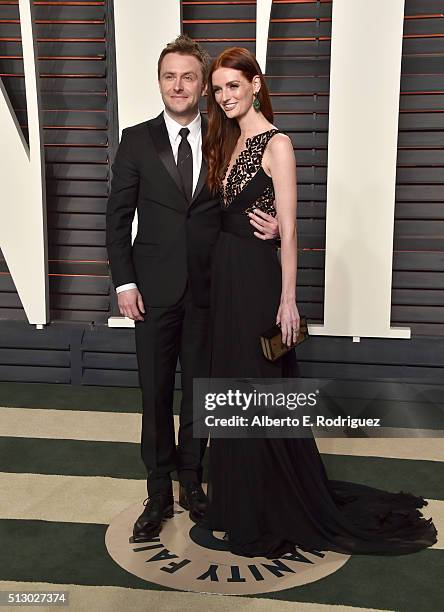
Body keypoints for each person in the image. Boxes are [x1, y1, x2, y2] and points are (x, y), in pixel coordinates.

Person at [201, 46, 438, 558]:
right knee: (230, 392)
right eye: (217, 89)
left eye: (233, 86)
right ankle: (236, 503)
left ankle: (267, 509)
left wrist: (288, 301)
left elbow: (290, 232)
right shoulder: (229, 140)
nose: (224, 97)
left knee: (258, 395)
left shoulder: (276, 143)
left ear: (256, 84)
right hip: (225, 279)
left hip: (258, 283)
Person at [106, 36, 279, 543]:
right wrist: (124, 281)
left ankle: (192, 483)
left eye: (187, 77)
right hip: (152, 292)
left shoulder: (226, 139)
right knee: (155, 394)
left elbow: (254, 192)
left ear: (202, 85)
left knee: (202, 395)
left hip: (212, 290)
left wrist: (270, 228)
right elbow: (117, 219)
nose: (178, 85)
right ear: (159, 82)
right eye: (169, 76)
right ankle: (157, 491)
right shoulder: (136, 139)